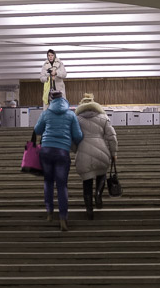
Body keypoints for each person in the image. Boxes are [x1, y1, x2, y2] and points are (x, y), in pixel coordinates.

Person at [31, 90, 83, 231]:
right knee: (62, 185)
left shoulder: (46, 113)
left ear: (51, 100)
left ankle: (49, 212)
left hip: (46, 150)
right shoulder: (71, 114)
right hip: (62, 152)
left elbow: (37, 130)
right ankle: (63, 218)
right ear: (64, 99)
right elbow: (78, 136)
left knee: (48, 181)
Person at [74, 93, 118, 220]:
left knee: (87, 181)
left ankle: (89, 210)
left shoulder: (76, 119)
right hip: (102, 151)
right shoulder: (103, 117)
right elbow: (112, 137)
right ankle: (98, 194)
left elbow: (72, 138)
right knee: (102, 174)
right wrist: (114, 153)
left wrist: (76, 150)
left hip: (83, 152)